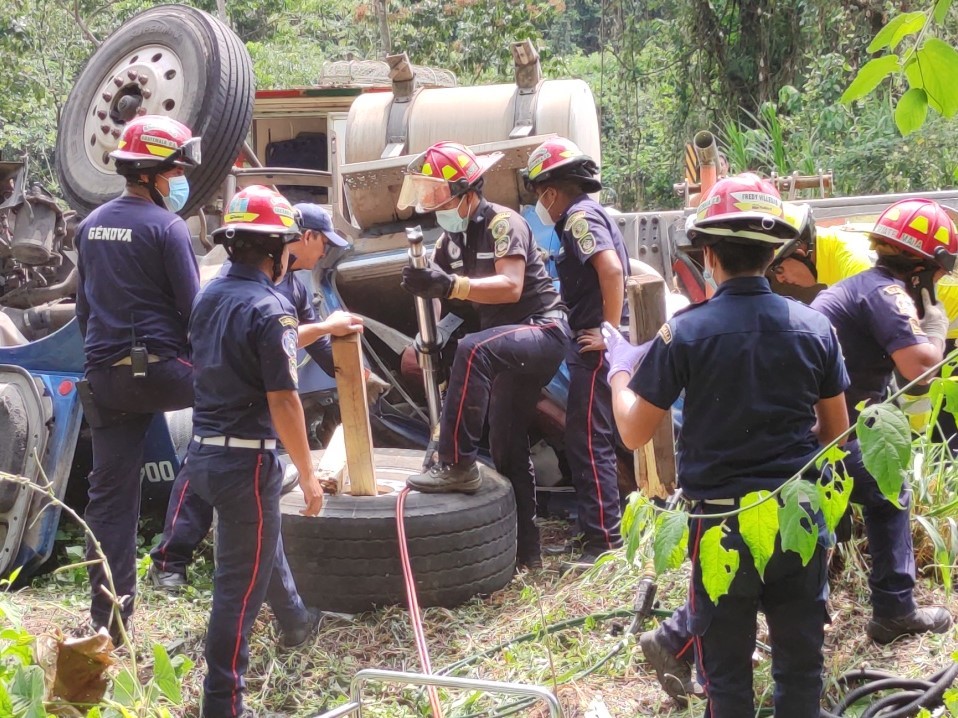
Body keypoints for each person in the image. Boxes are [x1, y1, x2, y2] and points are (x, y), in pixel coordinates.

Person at [606, 173, 850, 717]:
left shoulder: (685, 333)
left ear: (709, 254)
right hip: (797, 521)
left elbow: (632, 431)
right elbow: (837, 435)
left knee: (727, 681)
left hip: (719, 530)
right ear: (772, 254)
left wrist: (621, 368)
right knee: (800, 674)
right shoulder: (816, 329)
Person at [148, 203, 368, 589]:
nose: (324, 253)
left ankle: (286, 608)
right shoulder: (235, 281)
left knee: (253, 494)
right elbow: (270, 339)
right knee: (200, 471)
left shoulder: (295, 286)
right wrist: (321, 329)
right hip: (227, 390)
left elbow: (308, 340)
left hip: (261, 398)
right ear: (305, 237)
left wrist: (351, 372)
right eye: (324, 244)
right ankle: (170, 560)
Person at [183, 185, 332, 718]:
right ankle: (223, 704)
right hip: (245, 460)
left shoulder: (210, 296)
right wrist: (311, 477)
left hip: (204, 453)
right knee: (237, 590)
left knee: (255, 554)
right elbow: (285, 400)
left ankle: (294, 619)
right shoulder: (271, 308)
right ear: (275, 251)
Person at [397, 141, 570, 569]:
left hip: (542, 331)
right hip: (505, 345)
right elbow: (440, 298)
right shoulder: (449, 242)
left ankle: (455, 462)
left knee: (474, 351)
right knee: (507, 444)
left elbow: (510, 285)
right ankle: (527, 554)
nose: (430, 203)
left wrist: (452, 285)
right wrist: (426, 335)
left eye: (436, 193)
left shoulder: (502, 223)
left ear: (467, 191)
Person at [75, 115, 202, 641]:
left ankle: (109, 627)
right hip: (166, 373)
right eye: (176, 169)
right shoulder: (167, 227)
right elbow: (196, 312)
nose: (180, 179)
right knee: (244, 418)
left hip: (106, 378)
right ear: (152, 173)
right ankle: (183, 550)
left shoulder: (89, 225)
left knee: (110, 499)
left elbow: (84, 311)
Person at [810, 198, 954, 644]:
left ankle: (811, 608)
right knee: (889, 486)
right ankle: (894, 609)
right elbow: (920, 368)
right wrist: (936, 326)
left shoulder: (858, 287)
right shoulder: (887, 293)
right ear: (927, 269)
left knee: (830, 502)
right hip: (821, 432)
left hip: (809, 426)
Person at [522, 137, 630, 563]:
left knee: (590, 442)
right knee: (586, 438)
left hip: (594, 346)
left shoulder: (578, 218)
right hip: (587, 340)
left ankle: (605, 543)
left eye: (537, 194)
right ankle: (595, 534)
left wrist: (607, 332)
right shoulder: (584, 216)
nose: (539, 205)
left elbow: (613, 269)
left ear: (550, 190)